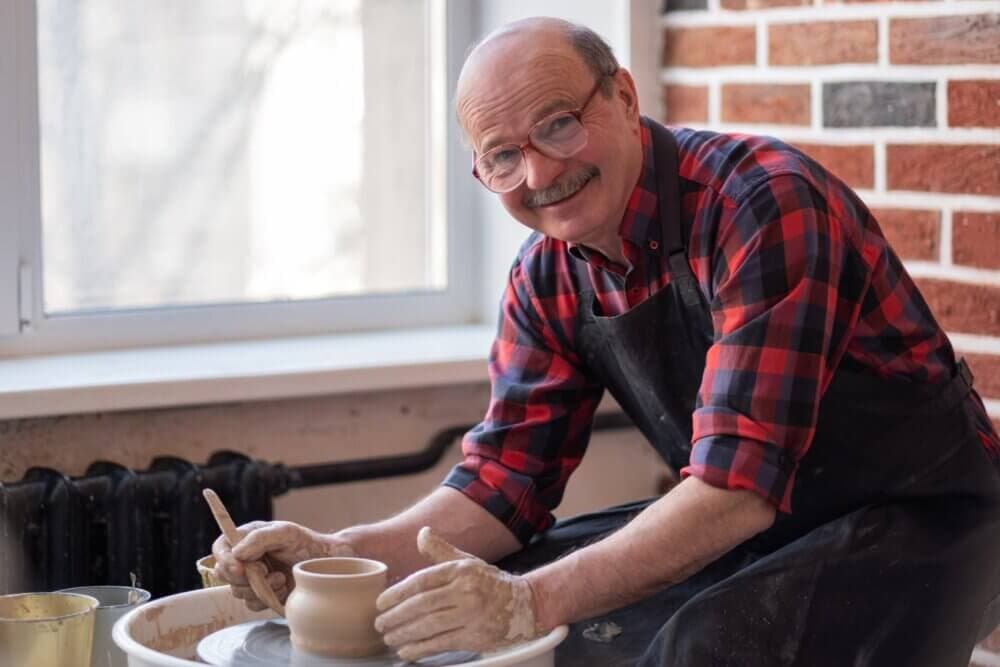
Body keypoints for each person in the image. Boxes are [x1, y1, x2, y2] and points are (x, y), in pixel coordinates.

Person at [213, 17, 1000, 666]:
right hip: (765, 518)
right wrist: (340, 553)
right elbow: (502, 482)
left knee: (690, 646)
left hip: (928, 518)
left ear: (624, 96)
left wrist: (529, 602)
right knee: (505, 596)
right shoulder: (545, 273)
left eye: (557, 124)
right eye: (503, 156)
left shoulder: (762, 204)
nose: (538, 175)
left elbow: (735, 491)